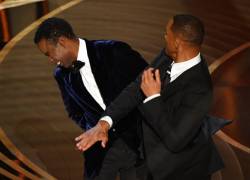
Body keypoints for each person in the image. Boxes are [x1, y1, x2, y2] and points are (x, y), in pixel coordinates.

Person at [75, 14, 226, 180]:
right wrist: (105, 123)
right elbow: (136, 88)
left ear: (177, 43)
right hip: (147, 156)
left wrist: (153, 98)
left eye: (167, 34)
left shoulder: (201, 89)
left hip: (180, 170)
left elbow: (175, 140)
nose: (164, 37)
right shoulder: (168, 56)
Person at [33, 17, 148, 180]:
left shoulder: (114, 51)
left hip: (137, 142)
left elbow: (149, 84)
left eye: (49, 54)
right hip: (100, 148)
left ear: (62, 41)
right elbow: (74, 112)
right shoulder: (61, 75)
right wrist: (94, 128)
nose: (51, 60)